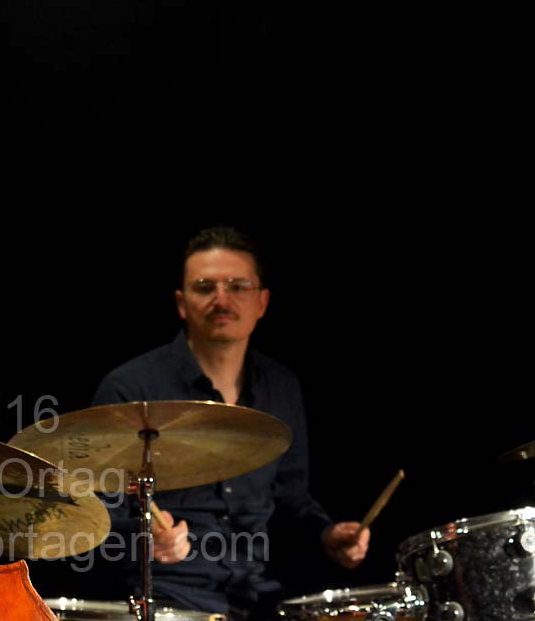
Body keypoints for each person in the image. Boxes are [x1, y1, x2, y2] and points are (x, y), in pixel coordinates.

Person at [90, 225, 369, 620]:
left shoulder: (282, 387)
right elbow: (93, 513)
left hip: (258, 597)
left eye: (238, 286)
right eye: (205, 287)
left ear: (262, 302)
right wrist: (145, 538)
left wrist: (328, 534)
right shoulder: (131, 388)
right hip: (168, 598)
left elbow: (291, 498)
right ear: (181, 303)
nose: (222, 300)